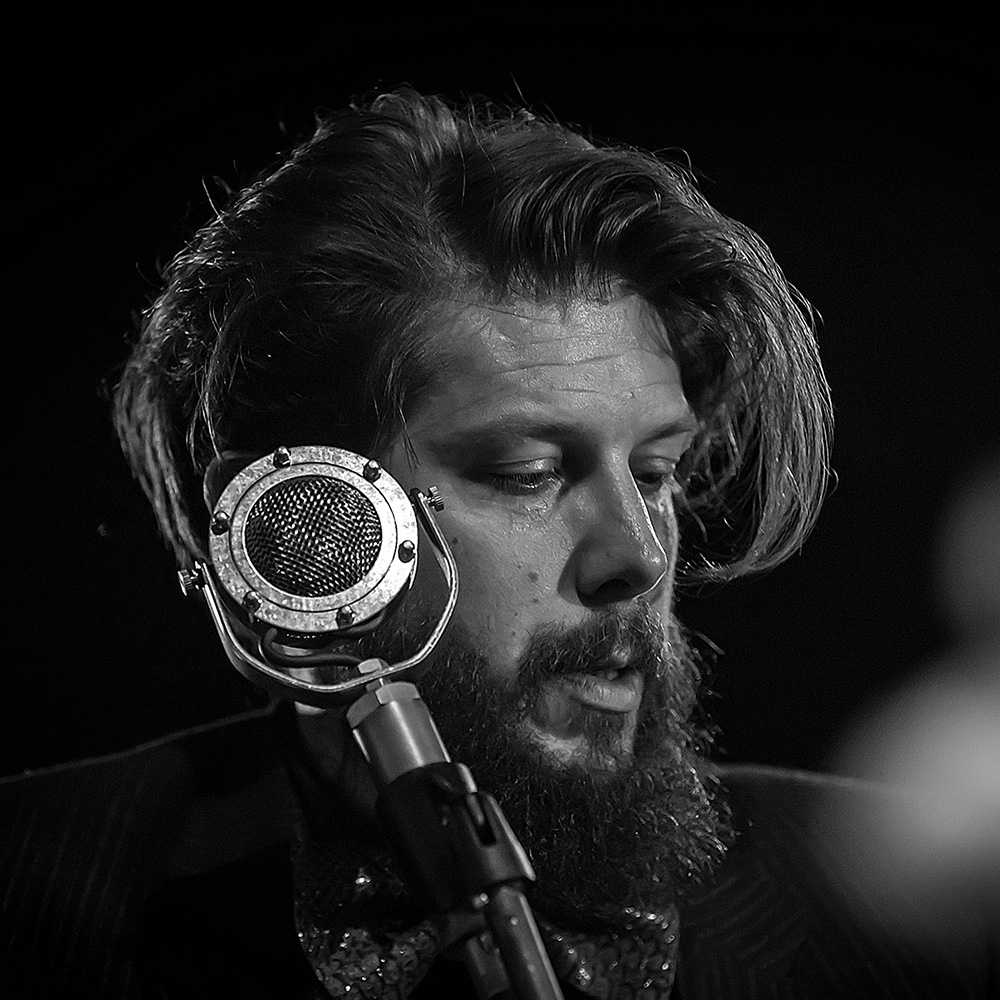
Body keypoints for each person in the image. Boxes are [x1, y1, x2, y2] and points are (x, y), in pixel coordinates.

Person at [1, 89, 993, 999]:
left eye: (655, 472)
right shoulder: (35, 889)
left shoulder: (917, 912)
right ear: (297, 515)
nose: (639, 557)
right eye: (527, 474)